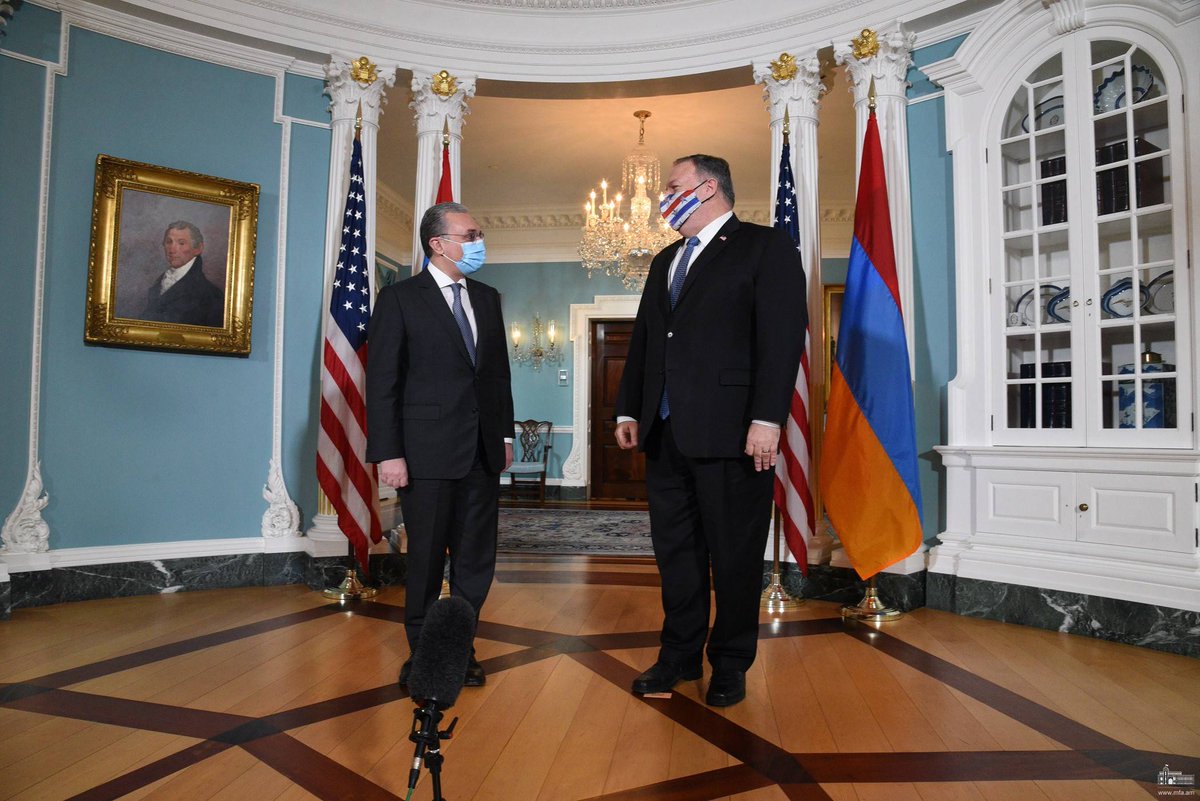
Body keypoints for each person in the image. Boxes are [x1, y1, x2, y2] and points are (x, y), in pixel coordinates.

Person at [615, 154, 806, 707]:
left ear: (707, 188)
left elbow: (781, 338)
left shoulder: (765, 246)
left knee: (734, 556)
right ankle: (678, 656)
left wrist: (767, 419)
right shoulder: (665, 259)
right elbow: (647, 339)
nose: (662, 197)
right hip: (665, 434)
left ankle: (730, 662)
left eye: (671, 186)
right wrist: (628, 410)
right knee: (676, 555)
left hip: (735, 433)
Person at [366, 201, 514, 689]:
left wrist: (504, 434)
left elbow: (496, 376)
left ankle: (459, 649)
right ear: (438, 244)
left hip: (482, 452)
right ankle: (425, 655)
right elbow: (383, 382)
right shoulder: (400, 299)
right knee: (426, 560)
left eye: (479, 233)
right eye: (470, 235)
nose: (478, 242)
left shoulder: (487, 298)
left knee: (475, 562)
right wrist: (388, 452)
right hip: (424, 453)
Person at [140, 221, 224, 326]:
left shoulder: (211, 295)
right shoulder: (160, 282)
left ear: (198, 248)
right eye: (169, 242)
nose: (172, 250)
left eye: (181, 243)